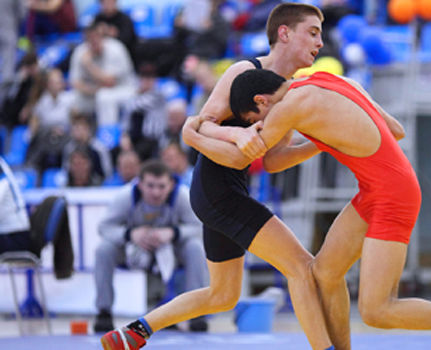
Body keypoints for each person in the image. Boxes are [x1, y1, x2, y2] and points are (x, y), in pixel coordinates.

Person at [100, 4, 335, 350]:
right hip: (217, 189)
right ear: (284, 33)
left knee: (223, 294)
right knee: (301, 266)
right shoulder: (245, 69)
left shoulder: (291, 92)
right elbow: (201, 123)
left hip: (228, 189)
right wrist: (237, 135)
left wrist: (318, 145)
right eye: (312, 32)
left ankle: (135, 332)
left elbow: (270, 162)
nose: (320, 42)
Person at [227, 69, 431, 350]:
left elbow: (260, 160)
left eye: (256, 120)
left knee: (378, 311)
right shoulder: (334, 80)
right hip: (376, 189)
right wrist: (323, 138)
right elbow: (396, 130)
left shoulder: (289, 106)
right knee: (325, 273)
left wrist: (197, 130)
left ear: (261, 101)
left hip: (392, 195)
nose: (262, 124)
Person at [94, 160, 208, 333]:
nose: (156, 192)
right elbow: (104, 227)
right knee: (103, 250)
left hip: (171, 248)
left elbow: (198, 226)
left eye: (161, 186)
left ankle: (197, 313)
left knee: (195, 248)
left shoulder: (182, 196)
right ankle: (104, 312)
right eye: (150, 186)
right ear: (139, 184)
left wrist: (173, 233)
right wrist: (130, 234)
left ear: (171, 185)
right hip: (133, 247)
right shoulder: (125, 196)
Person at [69, 21, 136, 126]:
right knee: (70, 101)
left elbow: (110, 82)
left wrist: (89, 65)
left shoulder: (115, 49)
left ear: (102, 37)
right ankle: (78, 138)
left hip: (124, 89)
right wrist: (91, 89)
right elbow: (75, 83)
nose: (93, 41)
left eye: (96, 37)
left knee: (104, 96)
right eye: (90, 39)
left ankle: (107, 137)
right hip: (92, 92)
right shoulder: (80, 52)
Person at [93, 0, 138, 65]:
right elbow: (91, 38)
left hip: (123, 56)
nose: (107, 5)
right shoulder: (97, 19)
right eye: (104, 3)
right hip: (101, 55)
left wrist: (113, 35)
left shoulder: (125, 19)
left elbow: (128, 40)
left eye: (110, 2)